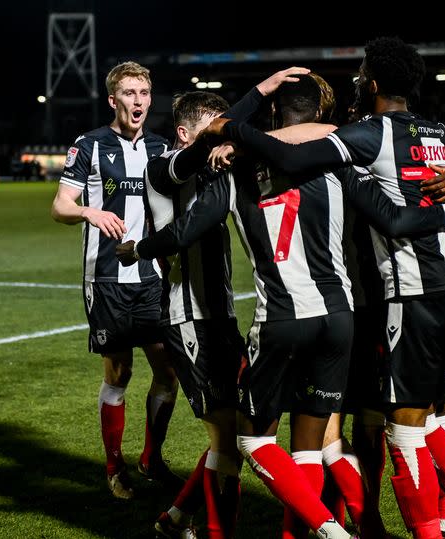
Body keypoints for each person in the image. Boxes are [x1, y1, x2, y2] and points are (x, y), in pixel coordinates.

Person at [119, 72, 445, 539]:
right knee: (314, 444)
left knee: (249, 439)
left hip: (278, 319)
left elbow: (187, 230)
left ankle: (328, 530)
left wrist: (137, 249)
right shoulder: (340, 163)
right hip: (342, 317)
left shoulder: (235, 169)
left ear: (275, 116)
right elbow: (392, 216)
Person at [202, 36, 445, 539]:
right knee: (433, 418)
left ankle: (412, 529)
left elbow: (302, 160)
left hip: (398, 296)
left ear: (370, 83)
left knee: (399, 429)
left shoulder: (368, 137)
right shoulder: (436, 133)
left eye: (362, 71)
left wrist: (234, 129)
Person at [143, 68, 312, 539]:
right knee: (228, 439)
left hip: (220, 316)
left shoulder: (220, 171)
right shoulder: (164, 168)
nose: (224, 140)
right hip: (188, 319)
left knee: (238, 431)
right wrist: (260, 93)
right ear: (185, 134)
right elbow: (211, 145)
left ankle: (176, 519)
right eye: (215, 129)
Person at [50, 61, 180, 501]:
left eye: (144, 92)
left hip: (153, 277)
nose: (139, 100)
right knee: (119, 371)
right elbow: (60, 206)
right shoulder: (89, 145)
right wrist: (90, 211)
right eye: (129, 93)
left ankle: (152, 459)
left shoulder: (162, 149)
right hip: (105, 278)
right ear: (113, 100)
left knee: (168, 371)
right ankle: (114, 467)